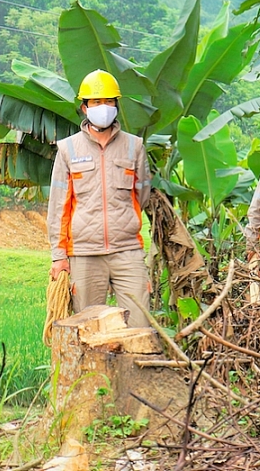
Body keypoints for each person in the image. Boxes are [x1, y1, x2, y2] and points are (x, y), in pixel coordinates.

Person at [46, 69, 152, 328]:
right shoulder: (68, 149)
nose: (103, 107)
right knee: (87, 329)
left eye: (108, 101)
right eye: (95, 102)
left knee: (139, 327)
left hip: (127, 250)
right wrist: (59, 257)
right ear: (84, 108)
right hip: (84, 253)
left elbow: (142, 195)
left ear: (116, 106)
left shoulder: (134, 146)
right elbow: (59, 207)